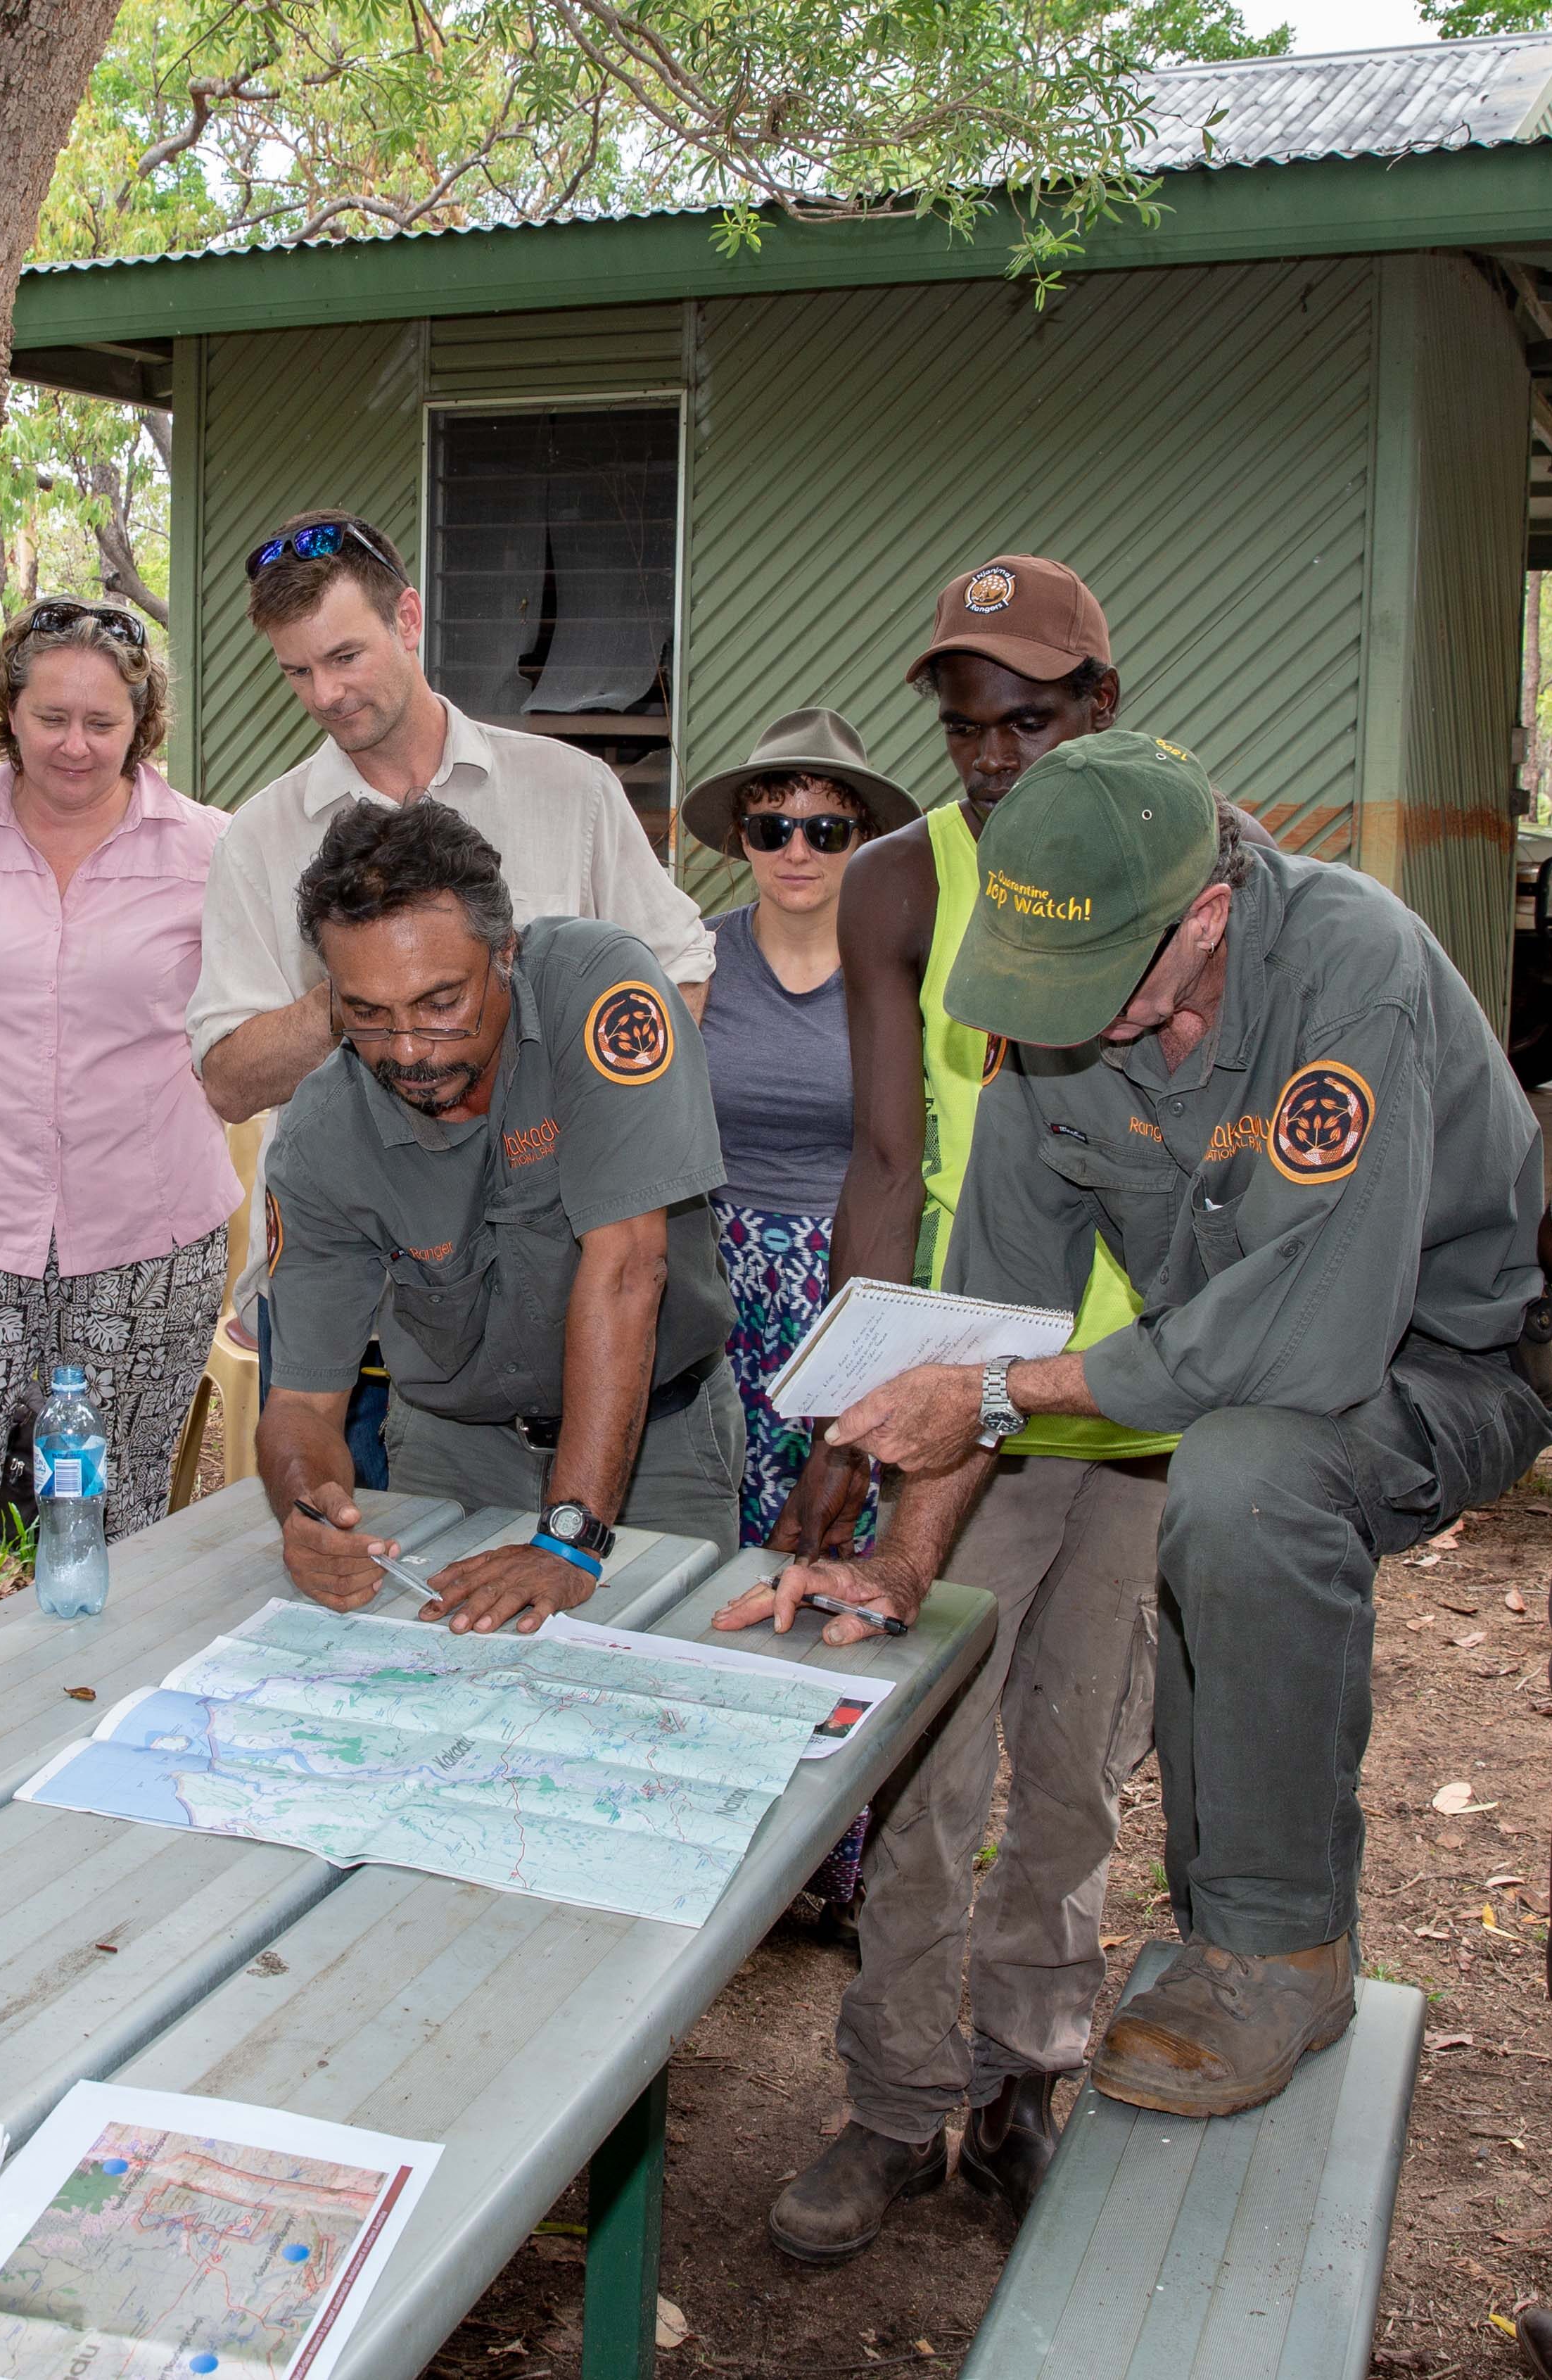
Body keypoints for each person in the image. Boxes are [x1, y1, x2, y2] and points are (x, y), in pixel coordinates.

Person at [728, 731, 1548, 2125]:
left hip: (1447, 1354)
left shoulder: (1356, 972)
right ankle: (1217, 1927)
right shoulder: (1063, 1022)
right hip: (1233, 1360)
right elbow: (991, 1316)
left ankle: (1280, 1942)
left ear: (1209, 915)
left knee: (1242, 1479)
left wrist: (1005, 1392)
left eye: (1097, 984)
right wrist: (910, 1560)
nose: (1063, 1020)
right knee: (1227, 1488)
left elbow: (1312, 1338)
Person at [734, 558, 1202, 2263]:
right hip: (958, 1404)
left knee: (1074, 1761)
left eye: (1026, 718)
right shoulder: (891, 886)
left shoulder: (1169, 867)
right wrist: (849, 1420)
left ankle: (1024, 2080)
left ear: (1097, 704)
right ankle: (888, 2099)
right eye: (961, 725)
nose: (990, 755)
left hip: (1131, 1401)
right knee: (924, 1762)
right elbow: (882, 1161)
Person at [189, 510, 715, 1488]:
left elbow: (679, 972)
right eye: (297, 672)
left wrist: (584, 1118)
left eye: (346, 655)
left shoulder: (570, 788)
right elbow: (225, 1078)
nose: (328, 693)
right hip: (377, 1325)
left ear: (410, 618)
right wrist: (365, 997)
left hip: (587, 1289)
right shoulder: (259, 839)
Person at [261, 800, 742, 1628]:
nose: (408, 1049)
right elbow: (302, 1406)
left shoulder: (601, 987)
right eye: (366, 1013)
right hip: (454, 1454)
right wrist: (309, 1511)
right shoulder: (318, 1138)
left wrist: (571, 1537)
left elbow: (629, 1266)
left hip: (658, 1442)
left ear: (506, 954)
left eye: (440, 1001)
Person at [0, 598, 238, 1628]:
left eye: (102, 723)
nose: (75, 745)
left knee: (113, 1504)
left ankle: (86, 1713)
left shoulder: (210, 849)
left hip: (149, 1229)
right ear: (9, 711)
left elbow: (267, 1011)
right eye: (51, 718)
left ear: (141, 726)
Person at [682, 709, 917, 1549]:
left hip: (850, 1272)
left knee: (837, 1531)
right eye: (771, 826)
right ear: (740, 837)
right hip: (713, 1281)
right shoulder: (692, 966)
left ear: (865, 837)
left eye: (825, 829)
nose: (797, 852)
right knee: (707, 1519)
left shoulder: (908, 980)